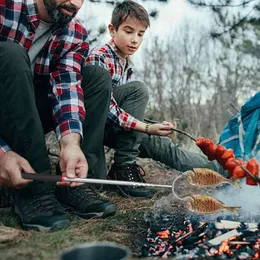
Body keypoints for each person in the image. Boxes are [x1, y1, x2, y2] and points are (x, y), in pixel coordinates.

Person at [85, 0, 225, 198]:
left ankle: (225, 172)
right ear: (112, 30)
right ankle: (123, 167)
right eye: (128, 31)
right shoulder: (99, 57)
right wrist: (146, 127)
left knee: (165, 147)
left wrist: (153, 127)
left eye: (140, 34)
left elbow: (126, 112)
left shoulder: (126, 64)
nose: (135, 40)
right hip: (93, 127)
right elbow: (106, 108)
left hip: (117, 129)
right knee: (139, 90)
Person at [0, 0, 119, 232]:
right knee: (11, 55)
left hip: (30, 113)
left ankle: (75, 180)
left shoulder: (75, 33)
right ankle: (35, 189)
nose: (74, 3)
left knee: (95, 77)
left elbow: (67, 86)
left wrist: (71, 143)